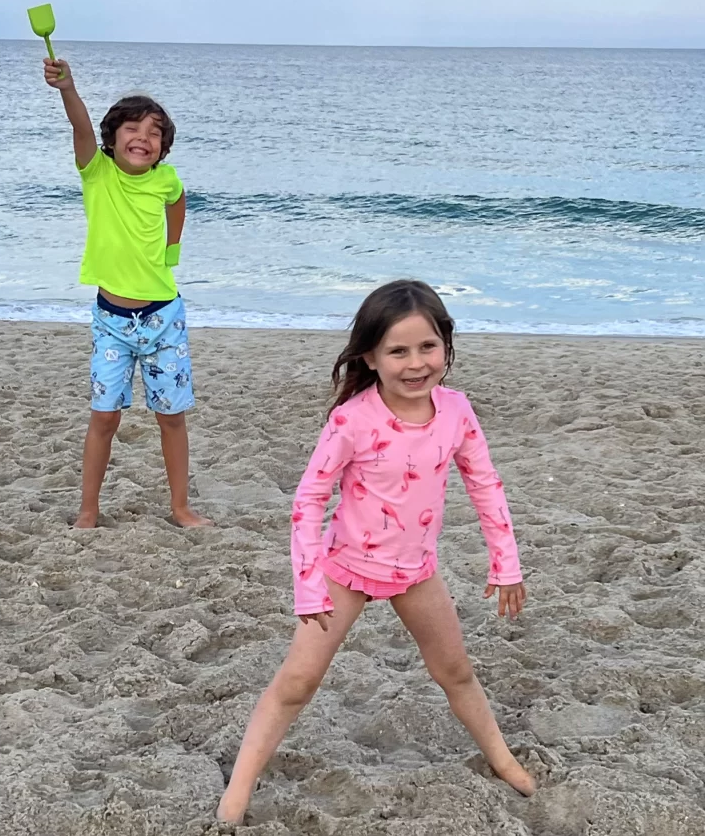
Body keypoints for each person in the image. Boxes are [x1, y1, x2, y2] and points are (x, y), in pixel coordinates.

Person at [217, 279, 536, 823]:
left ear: (446, 346)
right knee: (297, 682)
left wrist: (506, 564)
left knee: (455, 671)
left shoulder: (457, 411)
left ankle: (502, 759)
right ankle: (239, 788)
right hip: (344, 569)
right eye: (398, 351)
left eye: (427, 347)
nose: (416, 364)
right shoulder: (353, 420)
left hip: (416, 573)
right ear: (370, 355)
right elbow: (309, 499)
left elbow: (486, 484)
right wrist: (308, 584)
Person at [43, 56, 211, 529]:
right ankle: (88, 509)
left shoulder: (166, 179)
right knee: (104, 418)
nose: (143, 138)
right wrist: (67, 88)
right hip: (112, 322)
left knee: (171, 419)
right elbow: (78, 126)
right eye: (133, 129)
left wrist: (172, 249)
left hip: (164, 319)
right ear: (111, 139)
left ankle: (180, 508)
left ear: (163, 148)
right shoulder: (97, 173)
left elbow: (178, 201)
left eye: (155, 133)